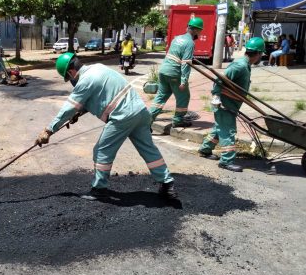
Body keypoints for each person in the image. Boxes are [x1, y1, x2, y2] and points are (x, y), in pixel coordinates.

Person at [35, 52, 178, 201]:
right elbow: (101, 95)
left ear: (71, 72)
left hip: (122, 116)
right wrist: (80, 111)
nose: (71, 81)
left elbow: (68, 108)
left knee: (102, 150)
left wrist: (48, 130)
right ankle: (168, 185)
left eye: (69, 78)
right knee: (148, 149)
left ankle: (99, 189)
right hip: (141, 112)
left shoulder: (84, 81)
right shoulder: (99, 68)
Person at [198, 37, 265, 172]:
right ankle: (226, 161)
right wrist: (216, 95)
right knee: (228, 131)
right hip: (224, 104)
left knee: (219, 128)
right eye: (261, 54)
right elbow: (220, 79)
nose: (261, 56)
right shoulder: (239, 66)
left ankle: (205, 150)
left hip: (231, 104)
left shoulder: (245, 65)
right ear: (258, 54)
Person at [149, 17, 204, 128]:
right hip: (174, 73)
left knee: (161, 97)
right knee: (183, 96)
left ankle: (148, 120)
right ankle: (178, 120)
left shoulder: (177, 38)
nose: (200, 33)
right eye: (200, 30)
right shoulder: (190, 43)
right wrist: (184, 80)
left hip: (164, 71)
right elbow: (186, 63)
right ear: (196, 30)